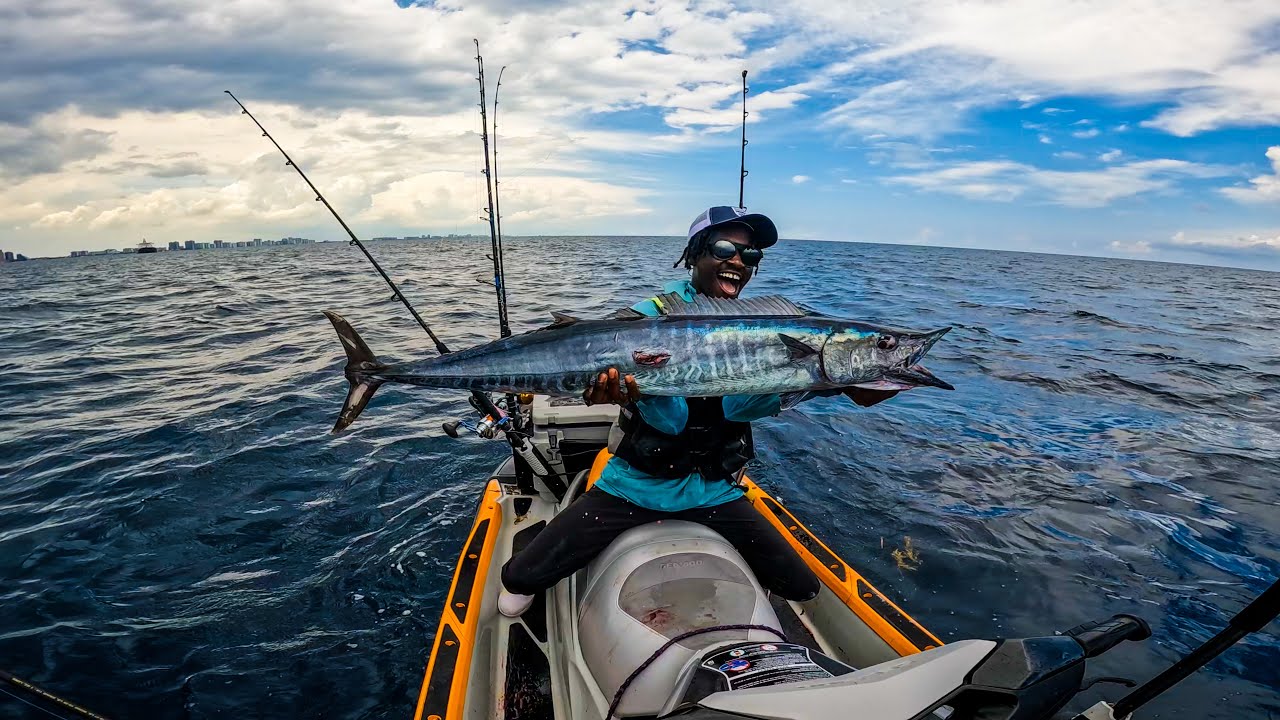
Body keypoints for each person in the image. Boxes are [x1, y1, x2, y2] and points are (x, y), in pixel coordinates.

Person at [497, 206, 897, 617]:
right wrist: (621, 393)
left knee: (802, 587)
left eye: (750, 255)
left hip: (714, 490)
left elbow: (745, 405)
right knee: (518, 581)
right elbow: (669, 419)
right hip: (636, 486)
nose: (738, 261)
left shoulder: (766, 328)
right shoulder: (649, 317)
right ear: (694, 253)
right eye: (724, 249)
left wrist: (837, 384)